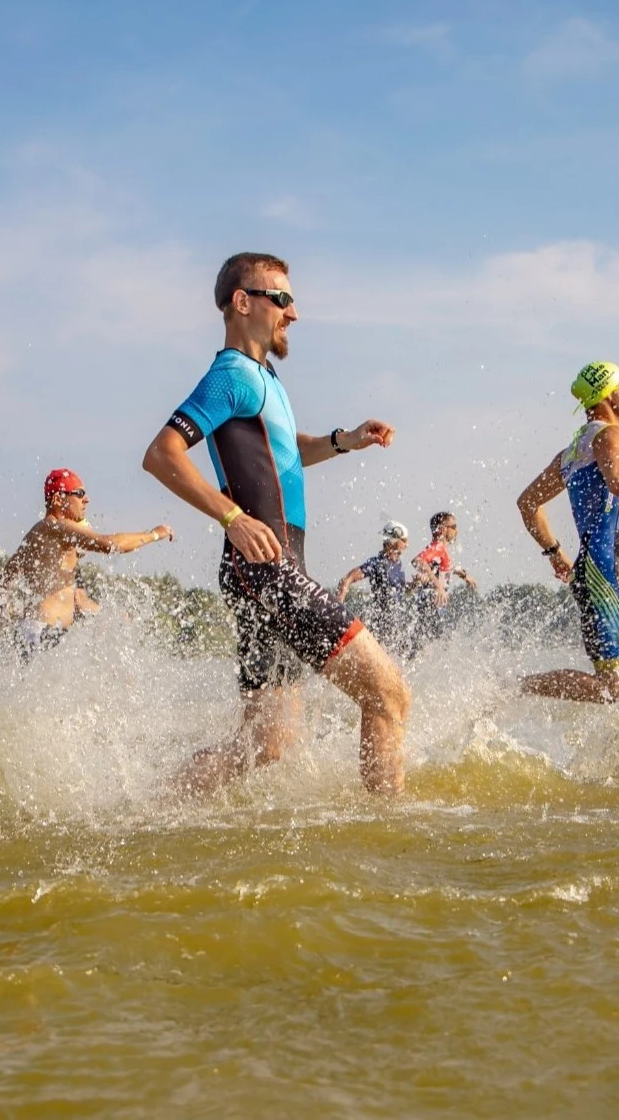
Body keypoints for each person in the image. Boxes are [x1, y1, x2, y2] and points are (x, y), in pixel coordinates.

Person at [142, 252, 412, 794]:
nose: (294, 313)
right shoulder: (230, 375)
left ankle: (155, 804)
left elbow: (286, 453)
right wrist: (232, 518)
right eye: (283, 299)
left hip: (270, 566)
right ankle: (391, 830)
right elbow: (161, 453)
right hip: (264, 567)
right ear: (243, 303)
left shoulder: (264, 378)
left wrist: (344, 441)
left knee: (267, 741)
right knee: (387, 694)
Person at [516, 360, 619, 703]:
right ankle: (516, 687)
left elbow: (527, 503)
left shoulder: (571, 452)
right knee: (613, 689)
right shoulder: (609, 435)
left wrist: (555, 554)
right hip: (602, 578)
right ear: (607, 394)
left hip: (610, 575)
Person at [0, 469, 172, 657]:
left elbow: (7, 575)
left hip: (34, 630)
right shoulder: (56, 526)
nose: (86, 500)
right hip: (45, 632)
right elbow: (110, 545)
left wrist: (2, 615)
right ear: (58, 499)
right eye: (79, 494)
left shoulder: (37, 533)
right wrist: (154, 534)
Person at [337, 522, 414, 654]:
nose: (407, 545)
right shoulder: (378, 563)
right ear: (394, 540)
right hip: (379, 624)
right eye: (404, 541)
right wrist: (340, 600)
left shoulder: (398, 564)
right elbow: (350, 577)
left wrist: (414, 584)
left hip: (395, 625)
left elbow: (400, 590)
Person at [409, 511, 477, 645]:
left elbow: (447, 567)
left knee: (431, 642)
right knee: (430, 643)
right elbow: (418, 561)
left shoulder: (442, 549)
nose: (457, 531)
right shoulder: (438, 547)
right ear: (442, 529)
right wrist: (438, 587)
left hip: (435, 604)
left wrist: (465, 576)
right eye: (454, 527)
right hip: (431, 603)